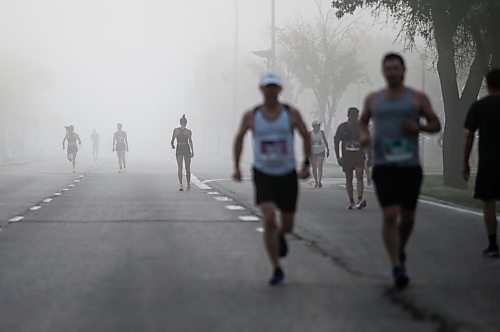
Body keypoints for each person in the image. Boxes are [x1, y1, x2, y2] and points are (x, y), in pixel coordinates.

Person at [359, 53, 441, 289]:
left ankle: (400, 248)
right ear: (383, 72)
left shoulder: (417, 98)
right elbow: (362, 121)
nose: (391, 72)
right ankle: (396, 265)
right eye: (387, 69)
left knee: (407, 218)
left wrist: (419, 127)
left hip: (409, 167)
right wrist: (364, 135)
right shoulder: (374, 99)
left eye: (395, 68)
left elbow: (436, 124)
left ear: (403, 70)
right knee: (389, 214)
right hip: (384, 166)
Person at [233, 72, 311, 286]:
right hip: (263, 173)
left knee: (287, 225)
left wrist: (306, 164)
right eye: (267, 87)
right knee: (268, 218)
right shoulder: (252, 115)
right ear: (261, 89)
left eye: (274, 86)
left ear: (280, 89)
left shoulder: (291, 113)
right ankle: (277, 267)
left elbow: (306, 135)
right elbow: (239, 137)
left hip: (287, 174)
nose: (271, 90)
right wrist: (236, 167)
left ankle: (279, 236)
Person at [463, 68, 500, 258]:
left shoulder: (479, 107)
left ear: (487, 84)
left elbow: (469, 137)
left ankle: (493, 244)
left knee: (489, 202)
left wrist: (465, 162)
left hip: (488, 161)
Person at [334, 107, 370, 209]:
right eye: (352, 115)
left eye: (356, 115)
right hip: (347, 157)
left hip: (359, 156)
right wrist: (338, 157)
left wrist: (370, 157)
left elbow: (368, 142)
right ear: (348, 115)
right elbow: (336, 142)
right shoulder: (342, 127)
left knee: (359, 176)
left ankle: (359, 199)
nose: (354, 117)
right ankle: (351, 201)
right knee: (348, 179)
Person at [171, 115, 194, 191]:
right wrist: (192, 150)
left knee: (180, 167)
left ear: (180, 123)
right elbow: (190, 141)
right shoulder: (188, 131)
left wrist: (173, 145)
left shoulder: (175, 130)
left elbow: (172, 140)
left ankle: (181, 185)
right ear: (186, 123)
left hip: (179, 148)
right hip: (186, 148)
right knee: (187, 167)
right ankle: (188, 184)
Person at [309, 120, 330, 188]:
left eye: (319, 125)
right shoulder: (310, 133)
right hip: (312, 152)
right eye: (317, 125)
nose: (318, 127)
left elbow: (325, 140)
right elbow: (307, 142)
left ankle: (319, 181)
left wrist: (328, 149)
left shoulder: (321, 132)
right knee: (314, 167)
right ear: (314, 126)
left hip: (321, 151)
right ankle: (315, 181)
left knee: (319, 166)